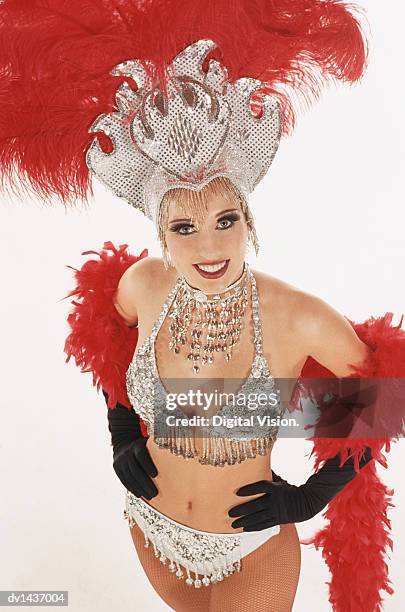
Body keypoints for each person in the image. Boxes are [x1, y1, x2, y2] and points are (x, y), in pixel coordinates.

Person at [1, 2, 405, 611]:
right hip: (150, 530)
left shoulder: (297, 317)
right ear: (162, 232)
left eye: (224, 220)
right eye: (185, 228)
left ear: (248, 218)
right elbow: (104, 338)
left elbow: (383, 394)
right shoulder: (143, 286)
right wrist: (120, 432)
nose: (209, 247)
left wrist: (310, 497)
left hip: (250, 546)